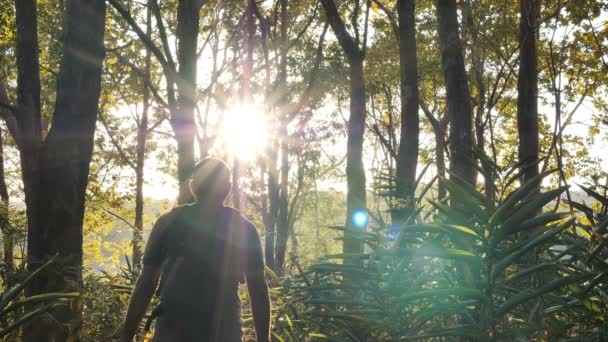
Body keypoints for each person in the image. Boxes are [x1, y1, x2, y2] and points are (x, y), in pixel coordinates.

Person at [119, 158, 271, 342]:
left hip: (172, 332)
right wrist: (264, 339)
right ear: (227, 188)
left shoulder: (168, 223)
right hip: (225, 332)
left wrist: (127, 336)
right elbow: (258, 291)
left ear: (192, 186)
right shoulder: (245, 229)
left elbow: (147, 283)